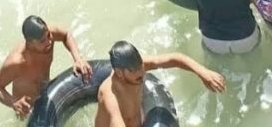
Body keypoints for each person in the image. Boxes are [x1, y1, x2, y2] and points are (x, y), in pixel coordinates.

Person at [95, 40, 225, 127]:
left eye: (140, 66)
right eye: (133, 70)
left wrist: (202, 72)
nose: (141, 72)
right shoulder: (110, 95)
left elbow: (174, 58)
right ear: (119, 73)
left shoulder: (137, 69)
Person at [0, 15, 92, 119]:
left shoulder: (48, 36)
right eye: (42, 41)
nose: (49, 41)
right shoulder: (16, 62)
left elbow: (66, 35)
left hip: (47, 93)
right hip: (28, 110)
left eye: (49, 35)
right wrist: (14, 103)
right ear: (29, 43)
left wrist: (78, 58)